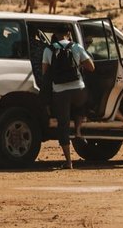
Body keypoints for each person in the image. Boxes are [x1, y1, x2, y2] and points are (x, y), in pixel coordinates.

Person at [38, 27, 94, 169]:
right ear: (69, 33)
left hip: (60, 91)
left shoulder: (48, 50)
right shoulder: (76, 47)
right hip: (78, 90)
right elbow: (91, 67)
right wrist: (78, 64)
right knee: (82, 103)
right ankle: (79, 131)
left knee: (63, 124)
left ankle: (69, 161)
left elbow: (45, 73)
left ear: (55, 35)